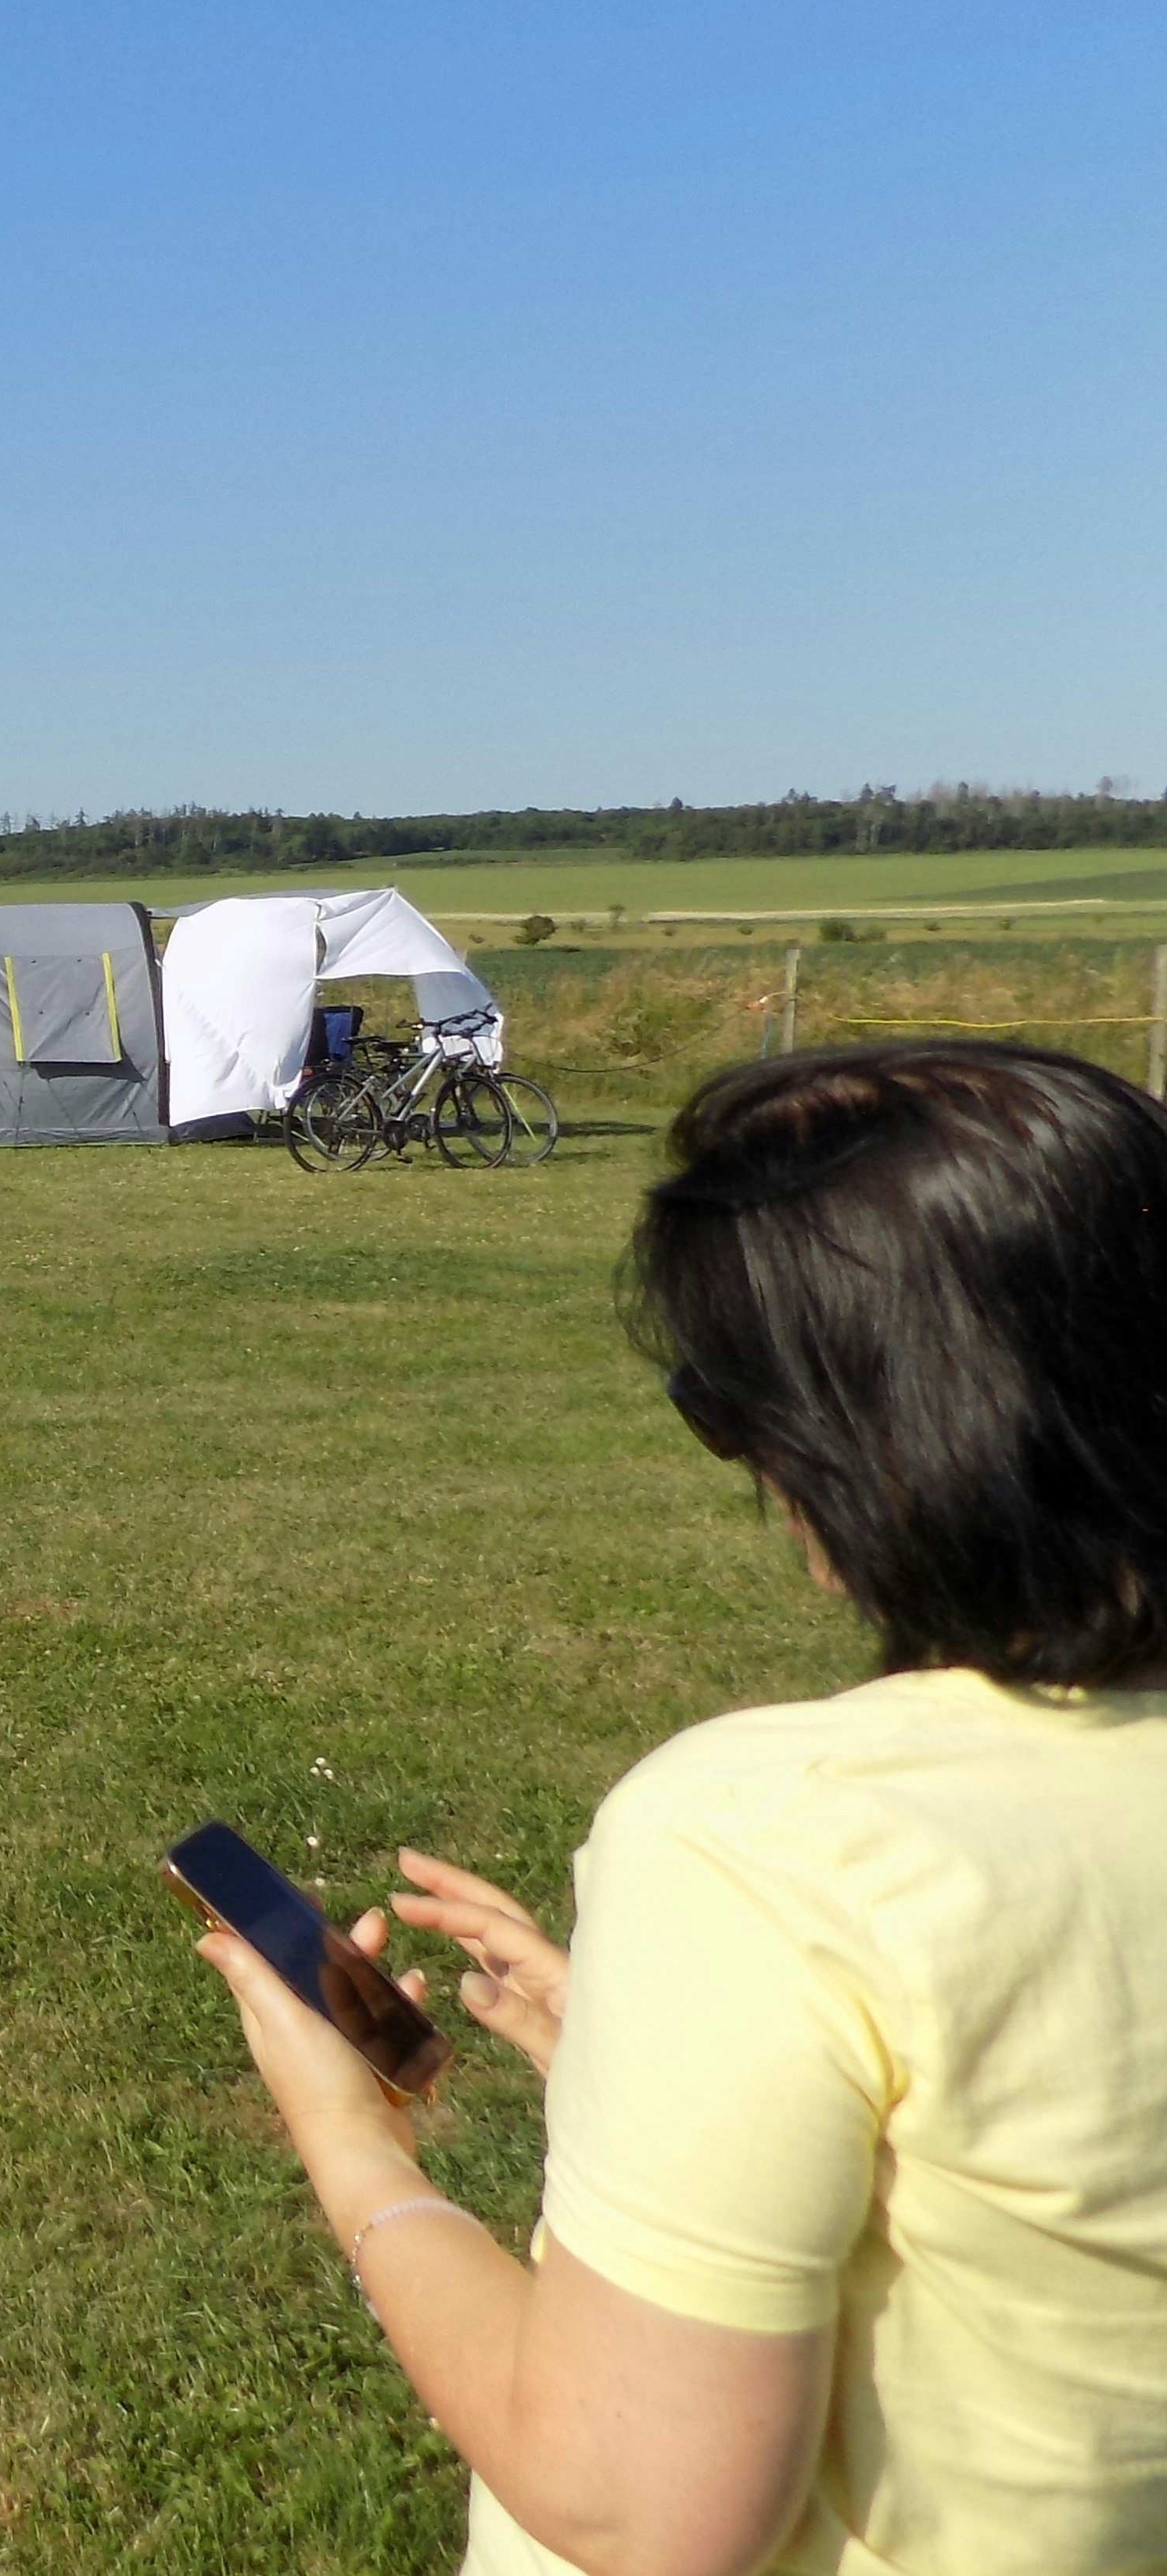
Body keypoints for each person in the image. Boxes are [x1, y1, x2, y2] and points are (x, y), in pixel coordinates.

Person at [197, 1043, 1167, 2576]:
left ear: (873, 1433)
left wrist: (352, 2148)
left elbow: (633, 2506)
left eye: (724, 1403)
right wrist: (653, 2054)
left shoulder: (762, 1843)